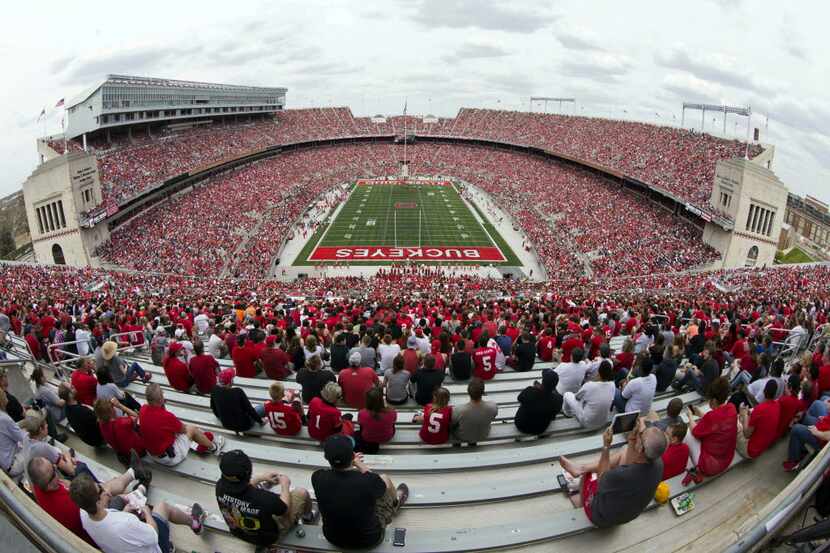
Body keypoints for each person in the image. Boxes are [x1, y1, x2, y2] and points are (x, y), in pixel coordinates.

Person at [559, 417, 667, 528]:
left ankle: (582, 503)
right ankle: (580, 468)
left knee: (590, 474)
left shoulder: (621, 475)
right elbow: (637, 456)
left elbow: (601, 477)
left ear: (640, 448)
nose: (641, 432)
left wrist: (606, 445)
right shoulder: (658, 463)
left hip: (602, 517)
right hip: (628, 514)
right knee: (624, 450)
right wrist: (632, 439)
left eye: (642, 434)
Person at [28, 453, 150, 547]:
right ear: (48, 484)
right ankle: (141, 484)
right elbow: (95, 514)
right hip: (97, 529)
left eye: (52, 465)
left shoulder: (39, 485)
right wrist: (105, 496)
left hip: (88, 515)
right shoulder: (67, 505)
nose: (56, 467)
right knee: (113, 493)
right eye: (53, 472)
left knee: (103, 486)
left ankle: (134, 473)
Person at [312, 434, 409, 549]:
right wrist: (358, 463)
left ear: (325, 457)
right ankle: (395, 503)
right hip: (370, 540)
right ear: (353, 455)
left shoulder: (317, 477)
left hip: (332, 537)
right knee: (385, 479)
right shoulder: (368, 480)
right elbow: (378, 483)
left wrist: (349, 462)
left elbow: (341, 477)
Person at [70, 472, 206, 553]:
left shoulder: (83, 514)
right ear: (97, 502)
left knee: (122, 500)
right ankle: (195, 523)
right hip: (153, 547)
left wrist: (125, 512)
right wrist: (147, 512)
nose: (105, 490)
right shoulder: (124, 523)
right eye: (100, 489)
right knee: (162, 507)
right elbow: (153, 534)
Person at [215, 449, 316, 547]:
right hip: (269, 537)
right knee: (302, 493)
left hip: (239, 532)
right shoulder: (262, 498)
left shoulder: (219, 486)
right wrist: (285, 485)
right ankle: (307, 517)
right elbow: (284, 509)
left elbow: (238, 488)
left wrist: (260, 478)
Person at [139, 383, 223, 466]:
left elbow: (161, 422)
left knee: (174, 429)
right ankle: (214, 448)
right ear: (161, 398)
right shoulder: (167, 417)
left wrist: (162, 405)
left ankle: (197, 442)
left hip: (153, 455)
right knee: (192, 429)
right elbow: (183, 429)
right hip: (169, 458)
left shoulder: (143, 409)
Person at [684, 376, 737, 478]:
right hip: (726, 459)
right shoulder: (732, 408)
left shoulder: (711, 416)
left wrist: (690, 416)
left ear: (713, 400)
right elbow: (717, 422)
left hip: (710, 465)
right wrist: (700, 414)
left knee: (688, 433)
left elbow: (695, 431)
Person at [563, 360, 616, 430]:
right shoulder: (613, 385)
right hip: (603, 422)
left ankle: (568, 413)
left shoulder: (590, 385)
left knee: (567, 394)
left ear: (599, 373)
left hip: (587, 423)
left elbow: (577, 397)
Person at [736, 379, 780, 459]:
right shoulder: (777, 406)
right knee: (743, 420)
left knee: (736, 424)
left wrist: (744, 415)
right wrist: (748, 415)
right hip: (761, 448)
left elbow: (746, 434)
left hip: (750, 451)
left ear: (764, 391)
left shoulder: (759, 409)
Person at [95, 398, 147, 465]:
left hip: (122, 453)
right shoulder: (121, 423)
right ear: (112, 411)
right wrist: (119, 405)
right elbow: (135, 416)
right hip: (137, 451)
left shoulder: (101, 424)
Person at [210, 368, 263, 433]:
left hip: (226, 424)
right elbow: (250, 410)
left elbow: (213, 408)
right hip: (244, 425)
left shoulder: (214, 390)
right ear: (230, 381)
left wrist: (221, 418)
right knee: (261, 407)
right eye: (232, 378)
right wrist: (261, 421)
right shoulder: (238, 391)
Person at [515, 369, 563, 435]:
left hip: (521, 424)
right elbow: (553, 415)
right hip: (540, 429)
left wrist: (536, 388)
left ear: (542, 381)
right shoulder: (558, 399)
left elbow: (519, 398)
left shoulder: (530, 391)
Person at [451, 378, 498, 444]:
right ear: (483, 392)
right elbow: (493, 417)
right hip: (483, 435)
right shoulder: (493, 406)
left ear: (468, 391)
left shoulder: (458, 409)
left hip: (462, 436)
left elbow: (452, 423)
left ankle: (456, 445)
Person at [59, 383, 105, 447]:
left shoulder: (67, 407)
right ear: (70, 395)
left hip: (88, 438)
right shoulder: (82, 411)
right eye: (72, 387)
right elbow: (100, 421)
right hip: (97, 439)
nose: (74, 386)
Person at [356, 387, 397, 453]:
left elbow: (361, 425)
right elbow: (393, 422)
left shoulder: (362, 413)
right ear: (381, 399)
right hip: (386, 437)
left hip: (367, 437)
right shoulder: (392, 412)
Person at [0, 389, 28, 483]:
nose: (5, 394)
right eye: (3, 393)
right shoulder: (4, 418)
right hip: (14, 464)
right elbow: (23, 438)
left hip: (5, 464)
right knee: (38, 446)